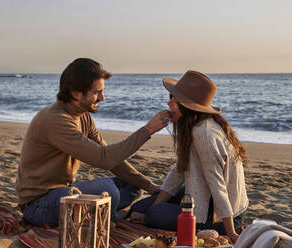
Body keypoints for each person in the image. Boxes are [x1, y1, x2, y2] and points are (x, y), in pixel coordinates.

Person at [16, 58, 171, 228]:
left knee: (131, 184)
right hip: (39, 205)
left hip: (65, 193)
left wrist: (150, 186)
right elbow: (104, 159)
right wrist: (148, 129)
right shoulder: (56, 120)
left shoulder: (83, 116)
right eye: (97, 92)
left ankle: (103, 213)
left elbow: (112, 160)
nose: (102, 98)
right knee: (107, 188)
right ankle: (108, 219)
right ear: (76, 93)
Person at [128, 70, 249, 243]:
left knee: (152, 214)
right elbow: (178, 172)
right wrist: (153, 207)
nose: (169, 103)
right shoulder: (195, 125)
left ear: (187, 106)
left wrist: (231, 233)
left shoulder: (203, 134)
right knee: (139, 208)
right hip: (204, 195)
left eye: (175, 101)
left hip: (217, 215)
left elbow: (217, 185)